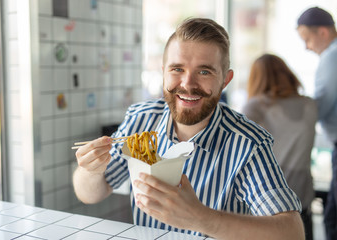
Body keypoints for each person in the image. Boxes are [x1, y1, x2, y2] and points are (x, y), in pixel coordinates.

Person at [73, 18, 304, 239]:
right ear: (163, 72)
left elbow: (292, 233)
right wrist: (91, 170)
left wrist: (199, 218)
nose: (188, 84)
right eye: (177, 69)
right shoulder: (140, 120)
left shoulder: (248, 143)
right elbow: (91, 194)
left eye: (204, 71)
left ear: (225, 79)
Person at [242, 53, 317, 240]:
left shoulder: (256, 106)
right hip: (303, 193)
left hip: (269, 195)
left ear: (257, 78)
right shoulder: (310, 104)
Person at [297, 7, 337, 240]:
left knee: (333, 218)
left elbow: (319, 106)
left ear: (323, 32)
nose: (306, 46)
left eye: (307, 39)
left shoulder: (331, 57)